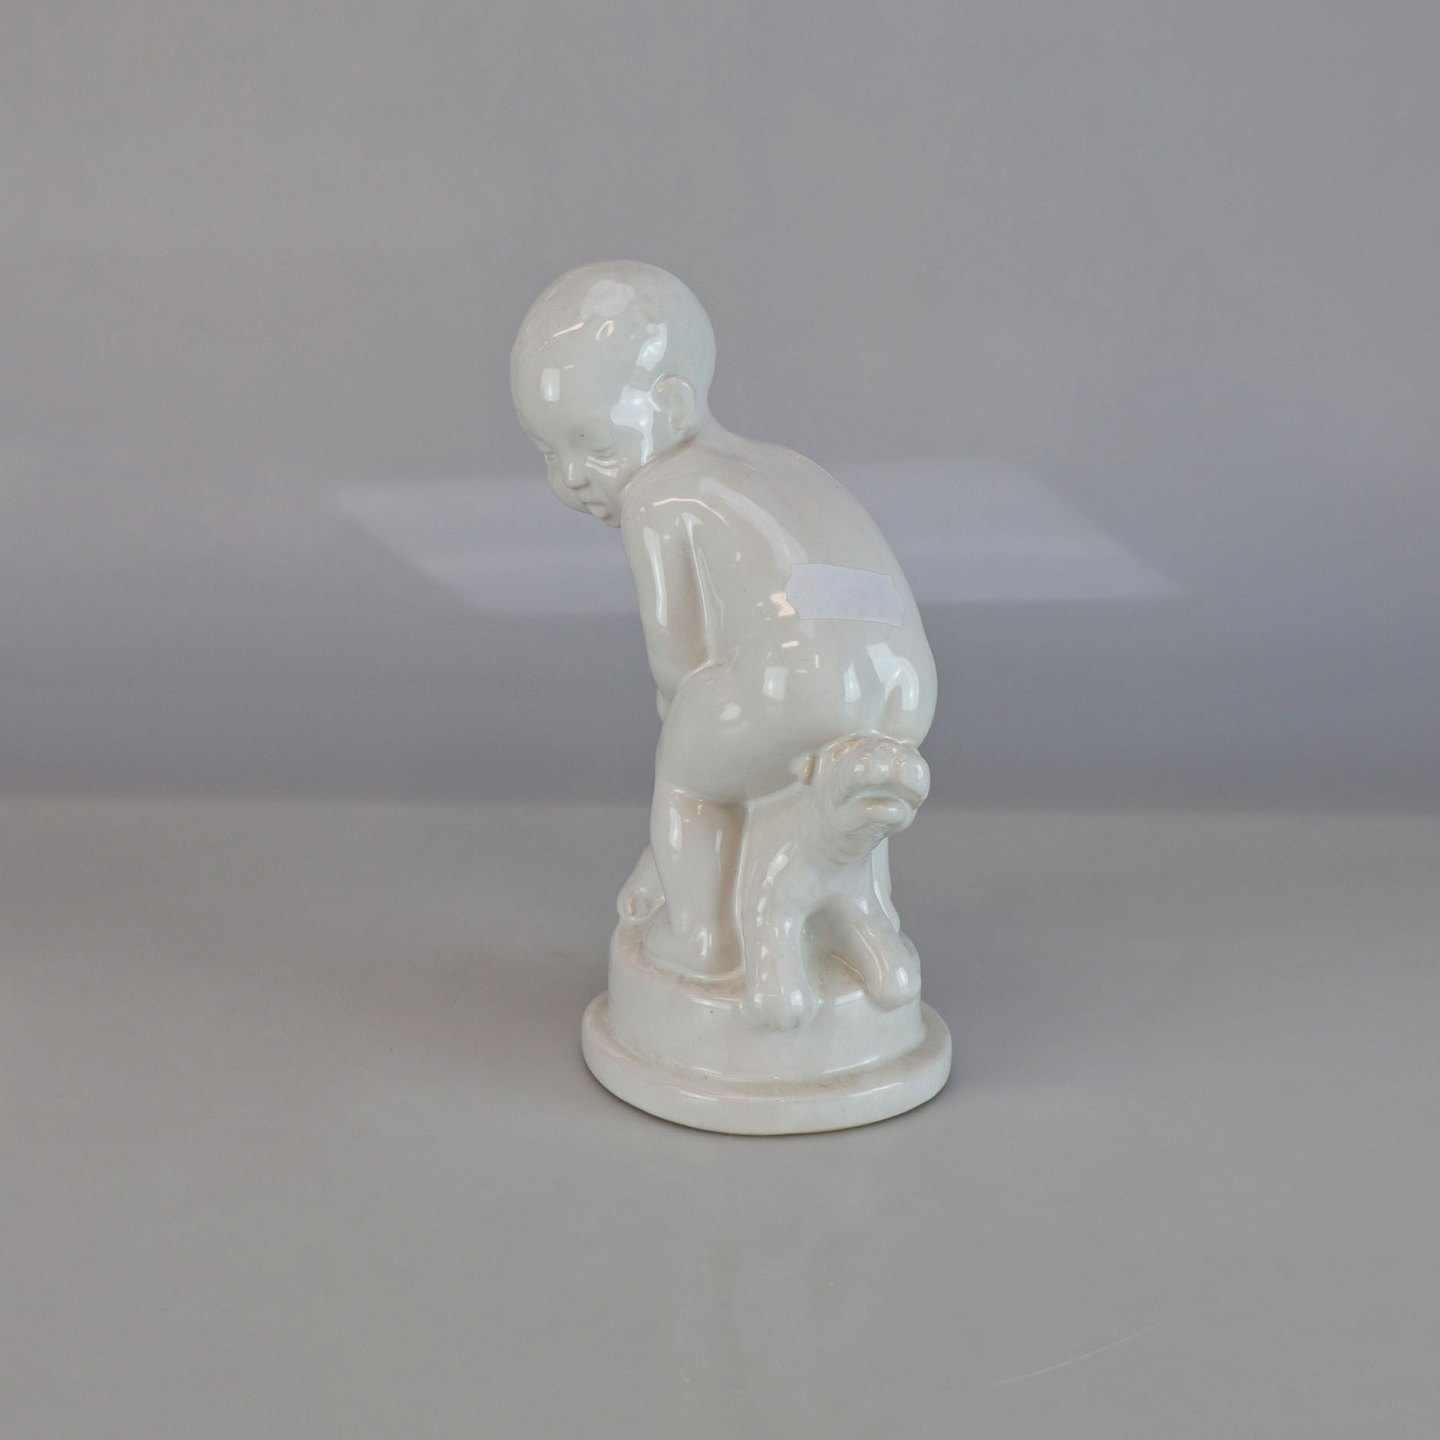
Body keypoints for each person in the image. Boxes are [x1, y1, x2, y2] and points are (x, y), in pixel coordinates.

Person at [512, 262, 936, 1027]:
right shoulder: (787, 466)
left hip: (797, 685)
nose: (573, 477)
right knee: (825, 782)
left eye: (593, 447)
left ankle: (702, 936)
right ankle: (865, 934)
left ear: (672, 405)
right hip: (906, 686)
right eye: (548, 455)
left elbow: (680, 661)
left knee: (692, 772)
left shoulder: (658, 495)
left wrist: (685, 777)